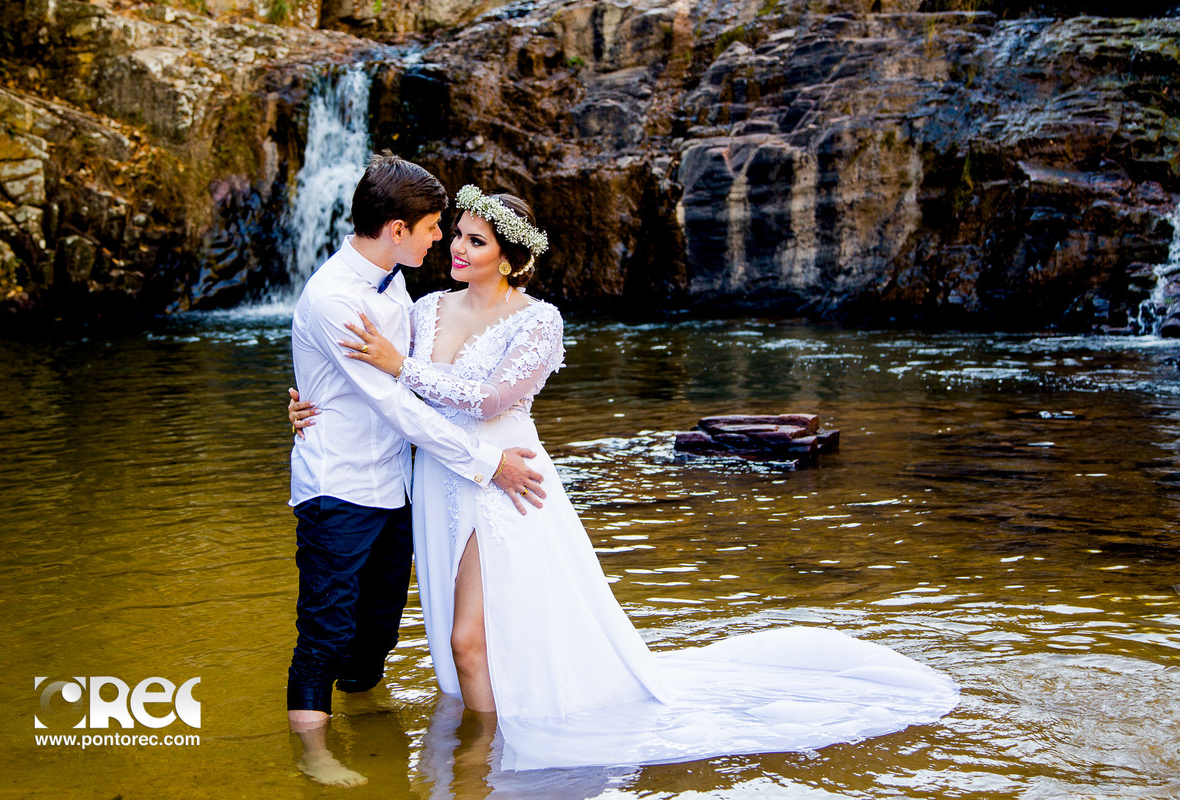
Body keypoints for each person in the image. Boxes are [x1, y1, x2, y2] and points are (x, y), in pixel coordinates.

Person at [290, 185, 959, 772]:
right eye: (455, 236)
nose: (456, 249)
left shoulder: (539, 321)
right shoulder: (425, 307)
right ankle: (484, 731)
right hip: (439, 475)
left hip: (507, 476)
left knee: (472, 639)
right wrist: (308, 407)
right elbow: (369, 380)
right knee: (468, 637)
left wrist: (399, 367)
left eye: (474, 239)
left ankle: (482, 755)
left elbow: (490, 399)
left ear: (510, 254)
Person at [285, 155, 546, 787]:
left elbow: (429, 383)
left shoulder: (399, 285)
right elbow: (398, 403)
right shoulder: (334, 301)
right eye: (436, 227)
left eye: (460, 234)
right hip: (339, 488)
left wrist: (302, 394)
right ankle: (313, 758)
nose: (443, 241)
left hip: (399, 488)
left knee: (374, 635)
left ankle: (364, 718)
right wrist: (489, 464)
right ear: (397, 229)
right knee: (325, 627)